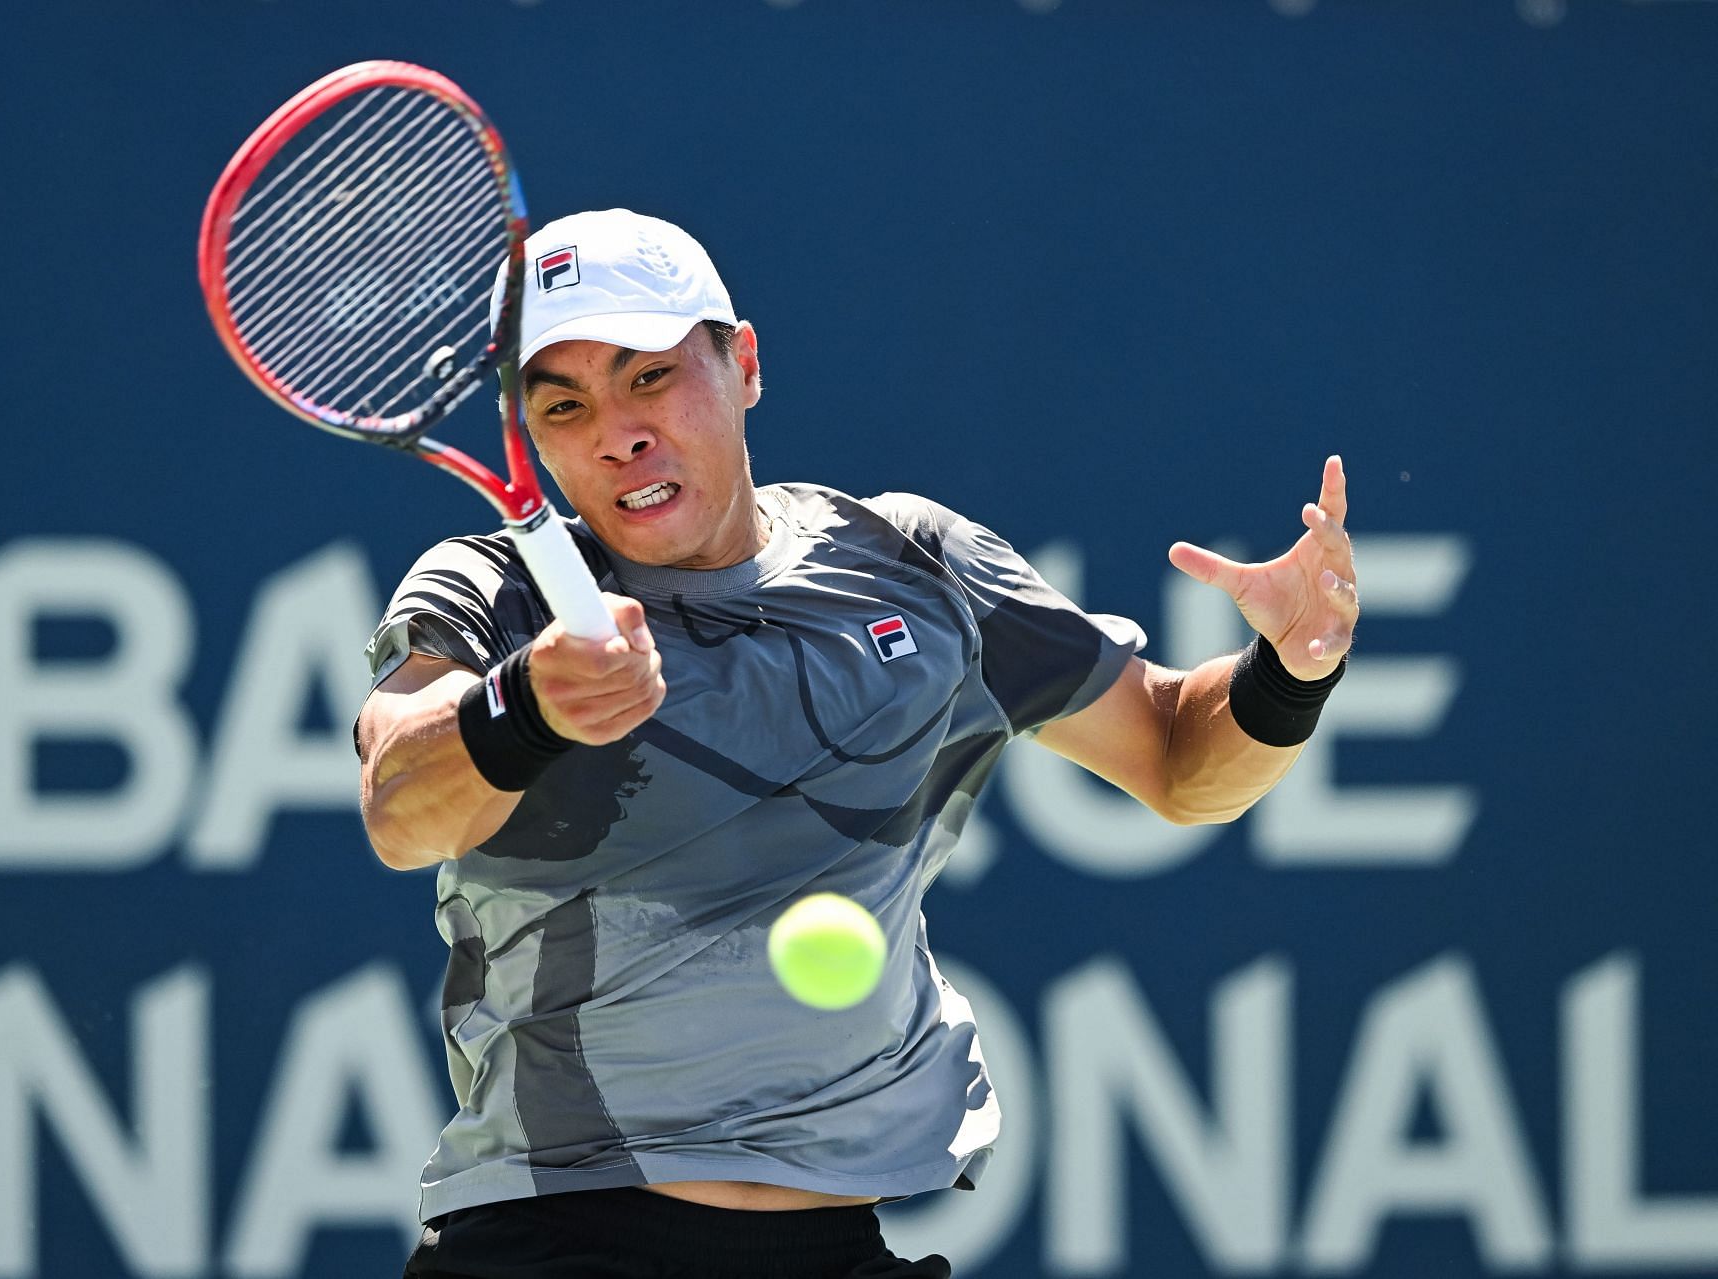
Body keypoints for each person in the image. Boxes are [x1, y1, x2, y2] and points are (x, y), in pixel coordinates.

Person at [356, 209, 1360, 1279]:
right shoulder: (491, 594)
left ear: (742, 363)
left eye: (648, 376)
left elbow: (1175, 759)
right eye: (564, 406)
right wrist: (528, 707)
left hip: (831, 1242)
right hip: (548, 1243)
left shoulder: (915, 566)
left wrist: (1289, 671)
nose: (617, 433)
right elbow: (400, 802)